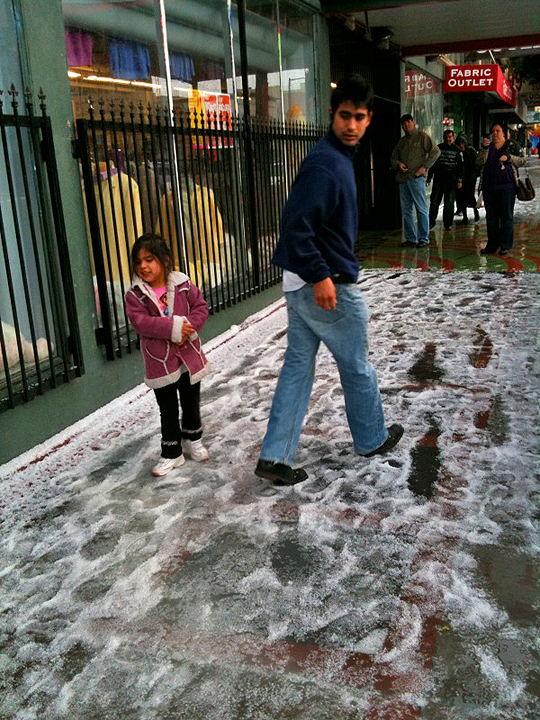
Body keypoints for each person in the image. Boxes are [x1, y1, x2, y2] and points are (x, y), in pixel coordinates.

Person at [254, 75, 403, 486]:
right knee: (357, 365)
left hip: (301, 283)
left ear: (369, 118)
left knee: (298, 370)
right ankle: (372, 437)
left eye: (358, 117)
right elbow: (294, 226)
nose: (351, 125)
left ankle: (275, 456)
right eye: (344, 116)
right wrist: (321, 276)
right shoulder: (325, 163)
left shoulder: (336, 158)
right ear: (332, 116)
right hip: (325, 285)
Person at [125, 233, 211, 476]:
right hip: (160, 362)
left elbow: (200, 307)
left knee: (191, 401)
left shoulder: (183, 284)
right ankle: (172, 452)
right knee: (168, 408)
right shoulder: (135, 294)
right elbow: (141, 323)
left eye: (149, 259)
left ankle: (193, 438)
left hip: (188, 356)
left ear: (164, 260)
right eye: (138, 261)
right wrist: (174, 328)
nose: (143, 266)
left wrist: (189, 328)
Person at [476, 123, 527, 256]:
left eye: (498, 131)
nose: (495, 134)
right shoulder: (488, 147)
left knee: (506, 217)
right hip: (489, 188)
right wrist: (484, 149)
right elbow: (479, 162)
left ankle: (505, 245)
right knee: (491, 218)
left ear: (504, 133)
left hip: (507, 188)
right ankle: (492, 245)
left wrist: (510, 158)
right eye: (493, 131)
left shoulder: (511, 145)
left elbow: (522, 161)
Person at [391, 114, 440, 248]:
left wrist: (424, 167)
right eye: (404, 124)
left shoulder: (422, 137)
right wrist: (398, 164)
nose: (406, 125)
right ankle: (411, 238)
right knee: (406, 210)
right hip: (403, 178)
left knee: (421, 208)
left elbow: (435, 152)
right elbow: (393, 157)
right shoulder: (402, 142)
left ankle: (424, 238)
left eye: (408, 122)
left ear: (413, 122)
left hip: (417, 178)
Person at [428, 129, 463, 231]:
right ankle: (431, 222)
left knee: (449, 203)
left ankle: (448, 223)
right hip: (439, 179)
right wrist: (429, 177)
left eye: (450, 137)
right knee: (434, 202)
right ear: (444, 138)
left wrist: (459, 180)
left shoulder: (457, 150)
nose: (448, 139)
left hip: (451, 180)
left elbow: (461, 167)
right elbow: (433, 164)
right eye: (446, 137)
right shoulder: (438, 148)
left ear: (453, 138)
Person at [455, 136, 479, 224]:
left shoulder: (470, 151)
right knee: (462, 198)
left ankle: (475, 212)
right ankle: (465, 216)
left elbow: (476, 163)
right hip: (462, 178)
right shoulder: (458, 153)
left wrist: (475, 173)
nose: (461, 145)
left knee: (470, 196)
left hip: (470, 178)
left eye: (462, 143)